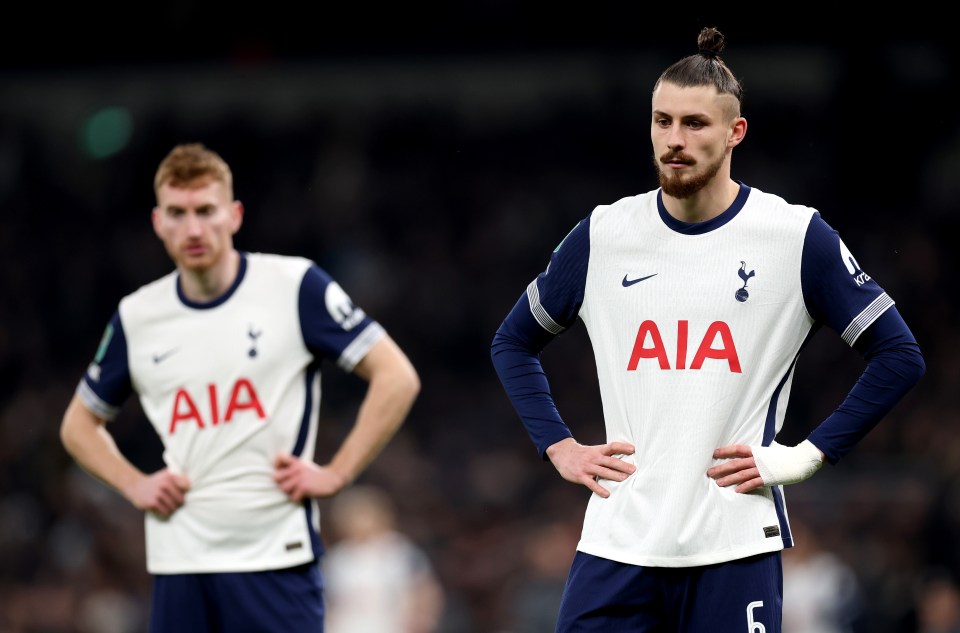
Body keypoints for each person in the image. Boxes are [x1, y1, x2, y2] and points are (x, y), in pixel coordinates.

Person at [490, 27, 925, 633]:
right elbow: (512, 342)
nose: (674, 140)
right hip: (618, 542)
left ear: (734, 132)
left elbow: (899, 356)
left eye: (695, 124)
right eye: (662, 121)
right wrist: (558, 445)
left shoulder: (794, 236)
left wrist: (807, 455)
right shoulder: (604, 234)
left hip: (734, 546)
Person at [59, 142, 421, 632]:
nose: (193, 228)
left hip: (275, 554)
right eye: (177, 213)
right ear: (157, 222)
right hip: (179, 559)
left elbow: (395, 375)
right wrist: (133, 483)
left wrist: (338, 473)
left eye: (206, 211)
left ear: (234, 215)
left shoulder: (294, 286)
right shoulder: (137, 316)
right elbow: (79, 425)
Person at [322, 484, 445, 633]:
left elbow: (426, 591)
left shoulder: (400, 552)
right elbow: (326, 601)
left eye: (363, 514)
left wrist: (422, 619)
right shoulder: (338, 558)